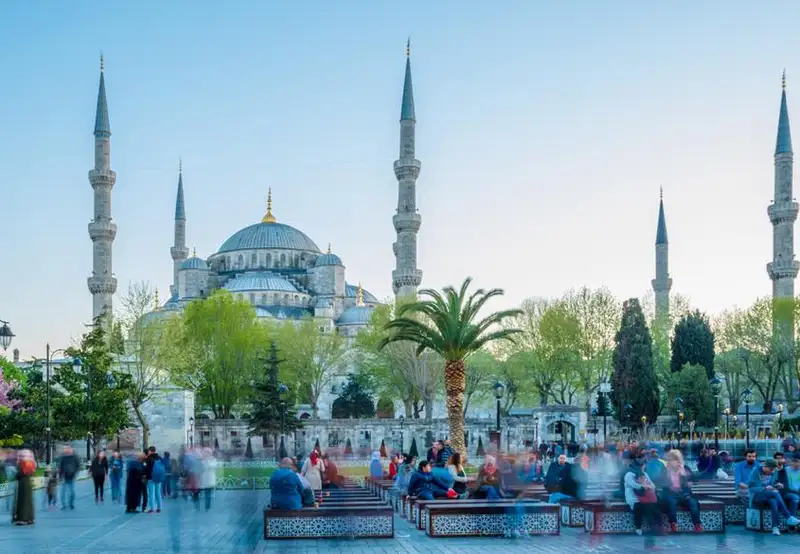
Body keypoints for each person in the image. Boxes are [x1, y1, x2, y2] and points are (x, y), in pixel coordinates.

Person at [748, 459, 800, 535]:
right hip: (756, 497)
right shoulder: (755, 472)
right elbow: (751, 489)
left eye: (773, 470)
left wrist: (777, 485)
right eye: (771, 469)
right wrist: (765, 488)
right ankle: (788, 517)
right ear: (765, 467)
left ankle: (775, 528)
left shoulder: (773, 473)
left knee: (773, 501)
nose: (772, 471)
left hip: (769, 495)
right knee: (774, 493)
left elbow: (771, 485)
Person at [656, 450, 702, 533]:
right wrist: (669, 486)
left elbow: (695, 478)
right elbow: (661, 482)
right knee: (671, 503)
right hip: (671, 494)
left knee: (693, 503)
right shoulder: (665, 470)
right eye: (669, 460)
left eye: (673, 460)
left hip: (683, 493)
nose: (671, 462)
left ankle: (697, 525)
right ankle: (673, 524)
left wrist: (686, 477)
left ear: (678, 460)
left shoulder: (685, 469)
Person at [624, 451, 661, 536]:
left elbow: (653, 485)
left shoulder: (645, 474)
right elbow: (635, 485)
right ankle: (639, 527)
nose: (645, 466)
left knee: (655, 507)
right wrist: (644, 486)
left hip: (646, 498)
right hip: (634, 498)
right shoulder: (629, 475)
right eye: (643, 465)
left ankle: (657, 528)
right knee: (640, 507)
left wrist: (648, 486)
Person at [12, 450, 36, 525]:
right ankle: (30, 518)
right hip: (28, 483)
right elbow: (32, 472)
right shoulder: (31, 463)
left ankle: (22, 518)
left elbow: (20, 473)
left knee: (22, 501)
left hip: (22, 483)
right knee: (29, 501)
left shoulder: (22, 463)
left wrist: (16, 474)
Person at [58, 446, 79, 511]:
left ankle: (71, 503)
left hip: (72, 477)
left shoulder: (75, 457)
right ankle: (63, 505)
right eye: (65, 449)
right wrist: (60, 476)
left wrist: (75, 473)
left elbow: (78, 466)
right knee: (62, 493)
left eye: (68, 448)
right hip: (64, 477)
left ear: (71, 449)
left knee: (72, 492)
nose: (66, 450)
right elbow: (60, 467)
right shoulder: (63, 458)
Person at [145, 447, 164, 513]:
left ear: (150, 451)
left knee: (151, 494)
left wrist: (146, 476)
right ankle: (159, 508)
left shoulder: (149, 458)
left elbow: (147, 469)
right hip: (159, 477)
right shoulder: (160, 458)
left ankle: (152, 508)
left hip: (151, 478)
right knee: (158, 493)